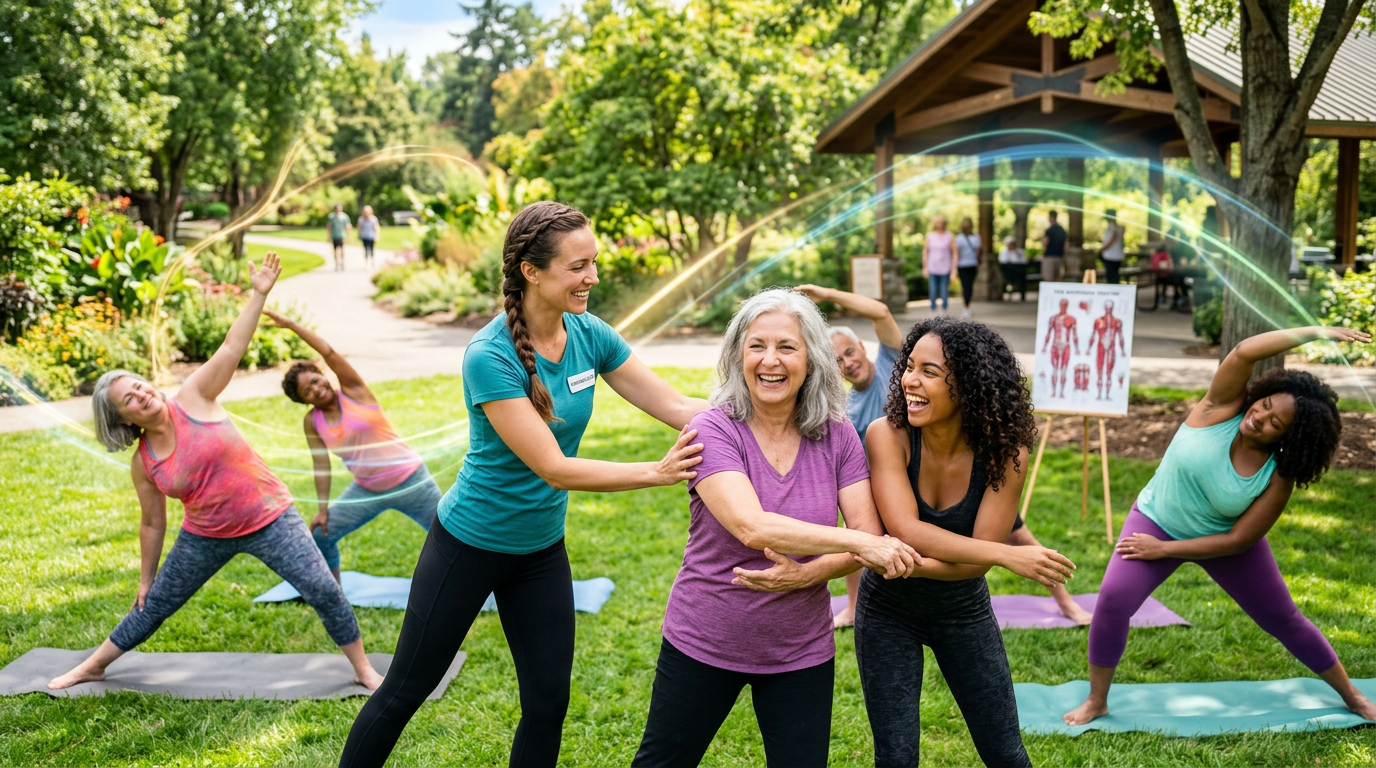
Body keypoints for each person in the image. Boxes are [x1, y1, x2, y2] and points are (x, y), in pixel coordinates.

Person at [340, 202, 710, 768]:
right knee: (405, 691)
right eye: (577, 266)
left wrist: (761, 417)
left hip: (539, 551)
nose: (592, 277)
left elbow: (677, 405)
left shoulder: (591, 336)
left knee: (548, 702)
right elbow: (554, 467)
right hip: (468, 545)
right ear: (532, 272)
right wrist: (656, 473)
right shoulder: (489, 356)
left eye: (593, 263)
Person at [48, 253, 385, 692]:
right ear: (123, 419)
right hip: (206, 535)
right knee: (154, 605)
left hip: (271, 517)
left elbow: (231, 347)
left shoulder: (194, 396)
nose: (142, 395)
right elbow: (152, 522)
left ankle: (363, 670)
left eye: (139, 384)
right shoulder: (144, 462)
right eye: (129, 399)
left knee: (323, 589)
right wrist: (146, 578)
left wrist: (259, 294)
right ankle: (93, 665)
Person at [632, 288, 919, 768]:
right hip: (707, 636)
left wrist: (809, 574)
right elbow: (752, 526)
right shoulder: (714, 428)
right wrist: (863, 543)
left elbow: (865, 533)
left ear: (811, 359)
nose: (771, 361)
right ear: (737, 355)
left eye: (787, 346)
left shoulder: (837, 433)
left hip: (800, 647)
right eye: (756, 346)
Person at [1063, 326, 1376, 727]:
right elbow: (1245, 352)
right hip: (1156, 518)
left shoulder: (1279, 473)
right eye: (1264, 405)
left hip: (1222, 540)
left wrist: (1164, 550)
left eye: (1275, 423)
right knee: (1112, 602)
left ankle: (1352, 695)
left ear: (1288, 437)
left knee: (1283, 618)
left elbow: (1239, 539)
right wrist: (1315, 332)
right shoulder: (1221, 408)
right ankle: (1097, 700)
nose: (1260, 417)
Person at [860, 317, 1079, 767]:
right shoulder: (887, 435)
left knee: (1005, 753)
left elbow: (972, 565)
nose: (909, 381)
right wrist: (1007, 555)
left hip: (963, 610)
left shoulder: (1006, 451)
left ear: (970, 387)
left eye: (930, 372)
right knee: (896, 759)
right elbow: (906, 530)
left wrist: (910, 562)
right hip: (888, 610)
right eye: (909, 366)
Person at [266, 310, 441, 581]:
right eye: (307, 392)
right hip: (367, 490)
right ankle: (335, 594)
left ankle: (483, 586)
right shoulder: (313, 422)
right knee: (321, 535)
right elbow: (321, 465)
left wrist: (290, 325)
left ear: (321, 374)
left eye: (315, 380)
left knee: (456, 536)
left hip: (412, 481)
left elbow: (330, 353)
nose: (316, 389)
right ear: (304, 401)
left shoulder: (353, 391)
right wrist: (322, 509)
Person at [792, 284, 904, 630]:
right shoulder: (848, 410)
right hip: (888, 486)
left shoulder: (894, 365)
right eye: (838, 361)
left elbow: (881, 312)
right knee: (854, 532)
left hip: (930, 471)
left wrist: (826, 295)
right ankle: (854, 607)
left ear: (862, 349)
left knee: (1010, 532)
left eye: (850, 353)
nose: (848, 363)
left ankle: (1062, 598)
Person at [923, 216, 954, 312]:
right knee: (933, 290)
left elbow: (955, 253)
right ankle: (933, 311)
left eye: (941, 222)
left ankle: (945, 311)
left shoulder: (949, 236)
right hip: (932, 267)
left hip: (945, 267)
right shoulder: (930, 236)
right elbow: (925, 251)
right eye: (937, 222)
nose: (939, 224)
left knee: (944, 290)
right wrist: (924, 267)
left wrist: (954, 269)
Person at [954, 217, 982, 317]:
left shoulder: (958, 238)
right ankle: (967, 306)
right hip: (972, 265)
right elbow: (978, 253)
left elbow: (957, 254)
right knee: (969, 286)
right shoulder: (976, 238)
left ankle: (966, 307)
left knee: (965, 286)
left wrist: (954, 267)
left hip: (962, 265)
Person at [997, 235, 1028, 302]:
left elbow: (1024, 260)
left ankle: (1022, 295)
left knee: (1021, 276)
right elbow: (1002, 261)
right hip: (1009, 271)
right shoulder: (1004, 252)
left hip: (1019, 271)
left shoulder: (1019, 252)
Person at [1100, 210, 1125, 284]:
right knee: (1114, 275)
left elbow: (1112, 238)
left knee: (1111, 276)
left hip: (1111, 256)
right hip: (1117, 255)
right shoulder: (1119, 227)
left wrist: (1102, 249)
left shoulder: (1112, 227)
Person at [1041, 210, 1067, 283]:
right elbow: (1066, 245)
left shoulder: (1049, 230)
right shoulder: (1062, 230)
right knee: (1057, 279)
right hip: (1059, 256)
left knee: (1048, 278)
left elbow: (1045, 242)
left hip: (1049, 256)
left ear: (1050, 217)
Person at [327, 204, 352, 271]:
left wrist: (349, 236)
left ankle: (342, 262)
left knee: (342, 250)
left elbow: (348, 227)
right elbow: (329, 227)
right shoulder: (331, 217)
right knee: (335, 250)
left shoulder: (344, 216)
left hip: (342, 235)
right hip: (334, 235)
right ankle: (336, 263)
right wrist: (329, 236)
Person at [357, 205, 380, 270]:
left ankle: (372, 261)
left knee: (372, 249)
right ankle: (367, 263)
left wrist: (377, 236)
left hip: (371, 236)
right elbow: (359, 227)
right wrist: (359, 234)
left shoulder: (373, 219)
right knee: (366, 250)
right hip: (365, 236)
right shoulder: (361, 219)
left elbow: (376, 228)